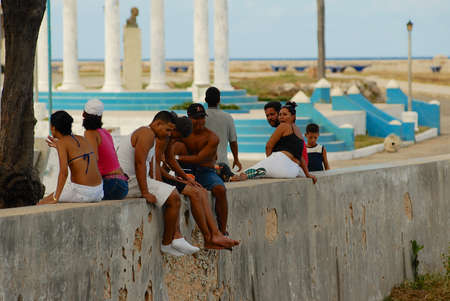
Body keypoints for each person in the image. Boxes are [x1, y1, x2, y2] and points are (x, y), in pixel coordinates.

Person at [117, 111, 198, 256]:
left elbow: (151, 168)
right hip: (129, 182)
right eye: (167, 130)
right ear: (157, 123)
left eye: (171, 131)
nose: (169, 134)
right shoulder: (146, 133)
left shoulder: (152, 137)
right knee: (174, 197)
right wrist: (145, 192)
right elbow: (139, 163)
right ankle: (169, 242)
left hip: (133, 180)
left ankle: (173, 239)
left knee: (171, 193)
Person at [158, 115, 239, 250]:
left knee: (201, 191)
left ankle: (215, 234)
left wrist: (186, 178)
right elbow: (155, 167)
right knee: (195, 193)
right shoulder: (164, 138)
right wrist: (175, 178)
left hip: (171, 175)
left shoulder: (171, 138)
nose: (176, 140)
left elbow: (170, 160)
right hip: (158, 177)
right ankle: (207, 237)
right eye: (177, 136)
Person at [175, 103, 230, 235]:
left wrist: (175, 157)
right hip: (187, 170)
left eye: (202, 118)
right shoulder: (183, 133)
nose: (200, 121)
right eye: (196, 118)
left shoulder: (212, 137)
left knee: (220, 189)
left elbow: (200, 158)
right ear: (189, 118)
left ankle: (222, 230)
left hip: (205, 171)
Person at [233, 102, 317, 183]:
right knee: (264, 170)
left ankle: (242, 176)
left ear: (293, 116)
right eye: (280, 114)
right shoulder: (298, 132)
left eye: (284, 114)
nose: (281, 117)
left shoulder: (284, 126)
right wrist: (307, 174)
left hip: (282, 163)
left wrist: (270, 162)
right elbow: (300, 156)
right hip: (293, 170)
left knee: (254, 170)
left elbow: (268, 146)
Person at [38, 111, 104, 205]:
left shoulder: (62, 143)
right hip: (99, 191)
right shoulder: (83, 139)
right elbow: (76, 153)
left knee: (42, 202)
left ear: (53, 128)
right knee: (51, 196)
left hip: (82, 193)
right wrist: (59, 147)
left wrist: (56, 198)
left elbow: (64, 173)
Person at [82, 99, 128, 200]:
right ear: (101, 116)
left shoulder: (90, 133)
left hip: (112, 184)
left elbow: (93, 160)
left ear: (83, 114)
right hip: (122, 184)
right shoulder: (105, 132)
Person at [204, 86, 242, 171]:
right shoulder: (227, 117)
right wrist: (236, 159)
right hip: (223, 165)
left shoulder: (200, 118)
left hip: (204, 164)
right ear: (219, 100)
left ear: (205, 100)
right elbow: (233, 142)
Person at [264, 101, 309, 168]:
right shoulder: (291, 127)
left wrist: (270, 166)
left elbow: (268, 146)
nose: (269, 118)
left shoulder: (284, 127)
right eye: (267, 115)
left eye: (272, 114)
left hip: (296, 167)